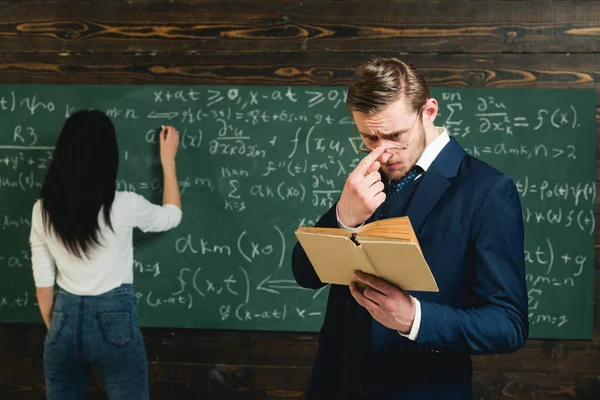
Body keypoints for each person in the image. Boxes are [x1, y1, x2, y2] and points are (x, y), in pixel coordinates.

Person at [291, 57, 528, 399]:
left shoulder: (488, 190)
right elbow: (305, 274)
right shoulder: (366, 181)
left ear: (428, 111)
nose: (383, 153)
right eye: (369, 137)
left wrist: (413, 318)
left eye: (395, 136)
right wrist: (344, 215)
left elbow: (509, 324)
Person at [29, 110, 182, 400]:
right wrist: (168, 160)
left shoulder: (42, 210)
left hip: (63, 319)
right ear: (108, 156)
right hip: (114, 321)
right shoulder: (124, 205)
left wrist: (59, 328)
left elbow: (42, 286)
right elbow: (171, 216)